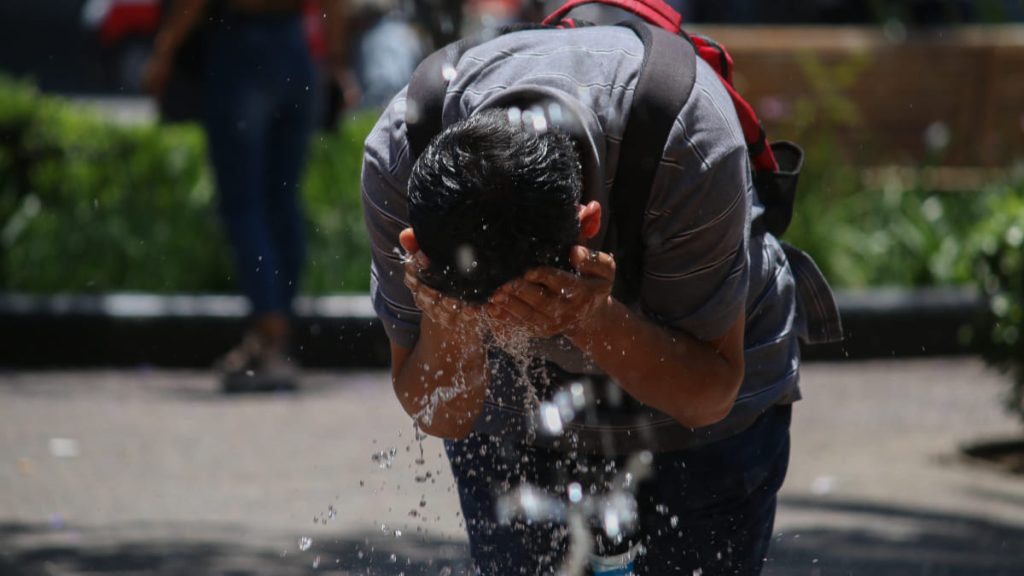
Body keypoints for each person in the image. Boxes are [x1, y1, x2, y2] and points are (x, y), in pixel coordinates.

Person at [361, 9, 839, 574]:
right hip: (515, 417)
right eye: (489, 312)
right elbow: (443, 414)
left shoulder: (689, 141)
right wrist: (451, 324)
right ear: (417, 242)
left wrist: (590, 318)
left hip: (709, 403)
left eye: (528, 300)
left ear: (586, 224)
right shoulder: (403, 156)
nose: (511, 329)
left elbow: (709, 394)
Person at [145, 0, 354, 391]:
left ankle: (268, 335)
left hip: (242, 48)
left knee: (244, 204)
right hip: (295, 48)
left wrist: (164, 50)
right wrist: (337, 63)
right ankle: (277, 336)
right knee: (282, 201)